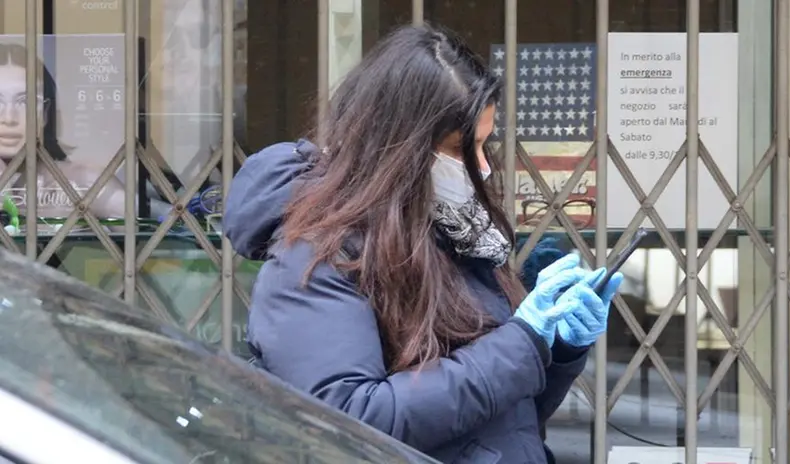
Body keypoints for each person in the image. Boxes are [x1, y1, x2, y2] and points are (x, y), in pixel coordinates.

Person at [224, 25, 623, 464]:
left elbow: (501, 420)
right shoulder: (315, 257)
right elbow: (351, 420)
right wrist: (522, 343)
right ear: (397, 145)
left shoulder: (454, 231)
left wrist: (558, 347)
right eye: (461, 148)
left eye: (484, 145)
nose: (483, 166)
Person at [0, 42, 127, 226]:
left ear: (44, 113)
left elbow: (157, 236)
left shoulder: (84, 183)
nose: (9, 118)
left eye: (24, 102)